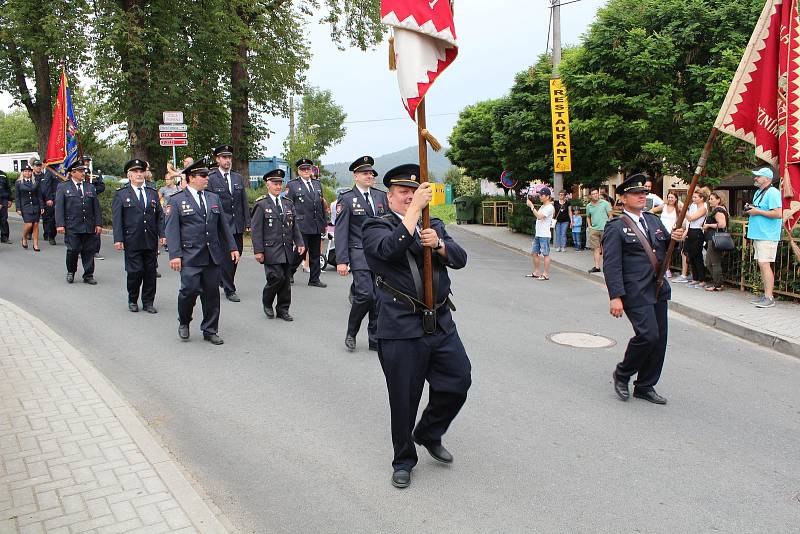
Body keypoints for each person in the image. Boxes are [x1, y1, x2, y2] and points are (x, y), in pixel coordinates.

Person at [362, 164, 471, 490]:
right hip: (400, 327)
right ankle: (403, 460)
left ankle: (429, 431)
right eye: (403, 194)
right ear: (390, 197)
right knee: (404, 398)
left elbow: (460, 258)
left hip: (439, 321)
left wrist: (438, 243)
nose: (409, 198)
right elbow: (387, 250)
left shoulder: (432, 224)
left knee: (458, 381)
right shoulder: (375, 226)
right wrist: (412, 219)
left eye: (414, 193)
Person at [604, 174, 686, 405]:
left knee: (659, 340)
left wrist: (677, 239)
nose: (642, 196)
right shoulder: (616, 227)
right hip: (634, 291)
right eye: (635, 193)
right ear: (622, 198)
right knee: (648, 335)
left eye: (643, 193)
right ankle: (622, 373)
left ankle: (645, 385)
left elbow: (666, 248)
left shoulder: (652, 220)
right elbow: (611, 265)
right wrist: (615, 297)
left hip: (657, 287)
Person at [165, 160, 239, 344]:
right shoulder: (177, 200)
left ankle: (210, 329)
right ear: (191, 178)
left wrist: (232, 247)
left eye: (207, 175)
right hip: (190, 256)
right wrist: (175, 255)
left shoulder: (213, 198)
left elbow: (223, 226)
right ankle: (184, 321)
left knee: (212, 294)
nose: (207, 179)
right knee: (188, 291)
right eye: (203, 176)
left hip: (212, 255)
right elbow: (172, 230)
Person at [335, 156, 389, 352]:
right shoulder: (347, 199)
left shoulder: (380, 196)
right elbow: (341, 231)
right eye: (365, 173)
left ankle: (374, 337)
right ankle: (351, 332)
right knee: (365, 295)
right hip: (359, 253)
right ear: (355, 176)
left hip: (380, 255)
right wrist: (342, 260)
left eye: (371, 173)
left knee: (378, 297)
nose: (370, 176)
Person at [250, 169, 305, 321]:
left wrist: (299, 242)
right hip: (270, 248)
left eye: (280, 183)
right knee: (276, 277)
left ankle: (283, 309)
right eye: (275, 183)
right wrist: (258, 251)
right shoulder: (261, 204)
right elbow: (256, 230)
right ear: (268, 184)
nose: (278, 186)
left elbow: (294, 226)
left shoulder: (288, 204)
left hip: (286, 248)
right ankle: (267, 301)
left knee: (286, 281)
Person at [112, 159, 165, 313]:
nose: (139, 174)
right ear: (129, 175)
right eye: (135, 172)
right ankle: (133, 299)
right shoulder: (121, 194)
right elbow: (117, 219)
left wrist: (162, 234)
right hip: (132, 239)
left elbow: (160, 216)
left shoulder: (152, 192)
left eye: (141, 171)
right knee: (135, 272)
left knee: (150, 272)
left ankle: (148, 302)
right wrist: (118, 239)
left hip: (149, 239)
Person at [207, 144, 249, 302]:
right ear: (217, 159)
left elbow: (243, 201)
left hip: (237, 223)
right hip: (221, 225)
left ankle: (223, 279)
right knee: (226, 256)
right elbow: (211, 202)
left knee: (238, 253)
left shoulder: (237, 177)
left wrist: (247, 220)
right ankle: (230, 288)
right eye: (224, 157)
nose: (227, 160)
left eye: (229, 157)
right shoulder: (211, 178)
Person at [55, 161, 103, 284]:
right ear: (73, 172)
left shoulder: (89, 187)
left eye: (84, 171)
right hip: (72, 225)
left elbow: (96, 207)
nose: (83, 173)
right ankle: (71, 271)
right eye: (81, 171)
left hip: (88, 225)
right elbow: (59, 207)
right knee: (73, 249)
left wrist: (98, 223)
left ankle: (88, 275)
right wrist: (60, 224)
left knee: (89, 251)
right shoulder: (63, 187)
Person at [745, 167, 783, 308]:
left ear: (767, 179)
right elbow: (761, 209)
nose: (755, 178)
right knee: (762, 264)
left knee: (764, 264)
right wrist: (751, 208)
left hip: (767, 234)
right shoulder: (758, 192)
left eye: (758, 176)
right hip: (759, 233)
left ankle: (769, 297)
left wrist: (757, 211)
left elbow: (778, 213)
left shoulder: (773, 192)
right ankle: (765, 295)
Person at [286, 158, 327, 288]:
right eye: (303, 169)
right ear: (298, 171)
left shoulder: (317, 184)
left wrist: (324, 223)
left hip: (316, 224)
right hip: (301, 224)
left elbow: (321, 205)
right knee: (300, 251)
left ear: (311, 170)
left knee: (315, 253)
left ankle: (314, 279)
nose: (305, 171)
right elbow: (288, 206)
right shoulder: (292, 185)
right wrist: (290, 225)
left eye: (308, 169)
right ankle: (289, 273)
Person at [525, 187, 554, 280]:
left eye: (542, 195)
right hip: (538, 234)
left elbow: (539, 216)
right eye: (540, 195)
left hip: (545, 235)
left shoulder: (550, 207)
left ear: (548, 196)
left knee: (545, 254)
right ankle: (537, 271)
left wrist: (531, 206)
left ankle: (545, 274)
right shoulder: (543, 206)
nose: (540, 197)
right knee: (534, 253)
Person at [702, 191, 729, 292]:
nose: (709, 201)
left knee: (713, 262)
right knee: (710, 262)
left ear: (719, 199)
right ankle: (718, 283)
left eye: (712, 199)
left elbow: (722, 225)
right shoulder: (720, 209)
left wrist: (708, 225)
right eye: (709, 199)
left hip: (715, 238)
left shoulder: (718, 210)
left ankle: (718, 284)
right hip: (713, 238)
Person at [652, 191, 683, 278]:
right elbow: (652, 210)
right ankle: (661, 268)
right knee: (660, 251)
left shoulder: (678, 207)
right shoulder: (664, 206)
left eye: (672, 197)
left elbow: (684, 215)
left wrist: (677, 226)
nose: (670, 199)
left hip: (671, 232)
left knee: (668, 251)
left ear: (676, 198)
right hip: (661, 232)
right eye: (669, 197)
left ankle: (667, 269)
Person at [15, 164, 44, 251]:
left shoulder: (35, 182)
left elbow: (39, 195)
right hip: (25, 206)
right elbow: (17, 197)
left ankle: (35, 244)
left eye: (29, 171)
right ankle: (24, 237)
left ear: (31, 172)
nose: (27, 173)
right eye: (25, 171)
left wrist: (42, 206)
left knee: (35, 224)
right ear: (22, 173)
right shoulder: (19, 183)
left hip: (35, 206)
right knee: (29, 224)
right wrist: (18, 208)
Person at [684, 187, 709, 288]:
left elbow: (691, 218)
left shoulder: (703, 208)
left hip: (698, 232)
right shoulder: (694, 206)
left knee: (697, 256)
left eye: (695, 197)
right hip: (691, 230)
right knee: (691, 256)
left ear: (701, 198)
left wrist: (683, 209)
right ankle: (695, 278)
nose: (693, 199)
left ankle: (702, 279)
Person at [586, 187, 612, 273]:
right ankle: (597, 267)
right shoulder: (588, 206)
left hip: (605, 229)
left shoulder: (605, 203)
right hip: (594, 229)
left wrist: (609, 226)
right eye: (593, 194)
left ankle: (607, 266)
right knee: (596, 248)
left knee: (605, 248)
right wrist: (590, 226)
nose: (595, 195)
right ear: (590, 196)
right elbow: (588, 217)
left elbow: (610, 216)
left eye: (596, 193)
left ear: (598, 194)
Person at [0, 170, 12, 244]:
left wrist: (10, 199)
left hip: (4, 199)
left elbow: (8, 187)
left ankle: (4, 237)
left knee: (4, 219)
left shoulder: (3, 174)